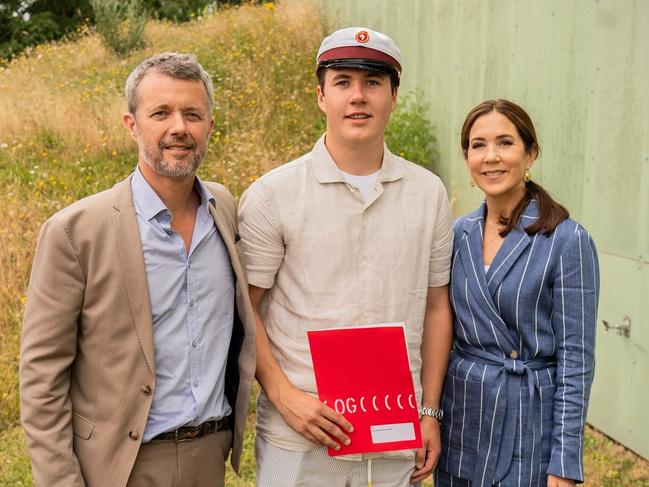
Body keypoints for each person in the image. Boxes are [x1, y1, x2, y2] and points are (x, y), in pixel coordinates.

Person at [19, 52, 255, 487]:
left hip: (210, 456)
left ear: (210, 127)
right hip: (121, 465)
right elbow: (41, 377)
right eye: (160, 113)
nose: (179, 128)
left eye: (192, 114)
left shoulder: (225, 210)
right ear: (132, 124)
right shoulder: (76, 231)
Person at [238, 27, 454, 486]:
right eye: (343, 82)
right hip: (300, 433)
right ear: (321, 96)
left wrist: (429, 410)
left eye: (373, 82)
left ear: (394, 97)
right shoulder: (272, 196)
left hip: (396, 432)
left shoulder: (428, 193)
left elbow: (437, 306)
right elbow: (244, 307)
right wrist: (283, 394)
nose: (358, 96)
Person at [435, 99, 599, 487]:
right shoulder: (457, 234)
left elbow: (576, 359)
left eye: (505, 143)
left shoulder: (567, 240)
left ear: (530, 154)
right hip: (464, 420)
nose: (490, 156)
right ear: (467, 158)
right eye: (478, 145)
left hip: (529, 427)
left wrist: (564, 459)